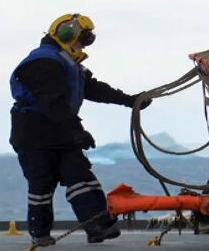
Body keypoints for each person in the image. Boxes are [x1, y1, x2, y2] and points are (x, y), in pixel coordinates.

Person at [9, 13, 150, 246]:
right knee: (41, 184)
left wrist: (130, 100)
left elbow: (92, 88)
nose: (84, 45)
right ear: (66, 34)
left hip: (60, 130)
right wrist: (77, 132)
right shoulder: (43, 62)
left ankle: (98, 226)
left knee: (81, 177)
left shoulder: (67, 63)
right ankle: (40, 232)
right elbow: (52, 102)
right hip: (34, 133)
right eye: (84, 39)